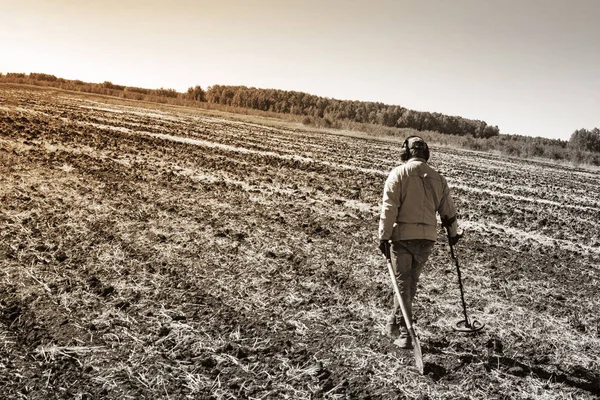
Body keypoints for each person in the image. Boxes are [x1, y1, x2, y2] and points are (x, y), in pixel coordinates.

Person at [378, 136, 460, 348]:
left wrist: (383, 236)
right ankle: (393, 324)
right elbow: (448, 212)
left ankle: (406, 334)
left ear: (406, 152)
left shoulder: (398, 174)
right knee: (408, 284)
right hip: (426, 240)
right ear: (426, 153)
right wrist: (453, 234)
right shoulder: (439, 179)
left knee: (403, 284)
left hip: (403, 238)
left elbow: (389, 209)